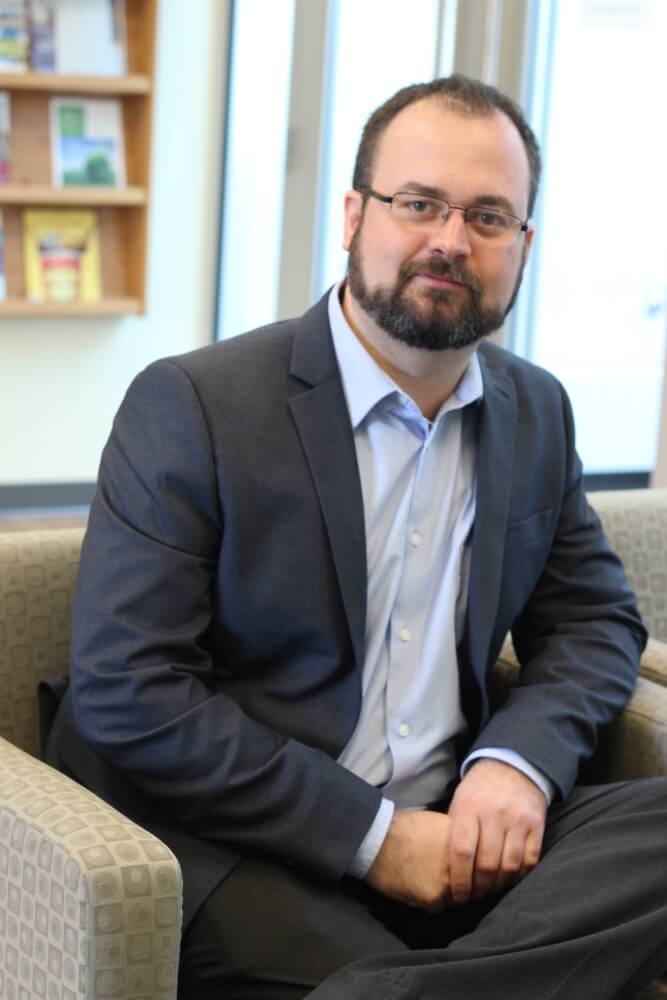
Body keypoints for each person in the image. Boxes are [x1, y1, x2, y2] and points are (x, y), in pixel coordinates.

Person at [45, 74, 667, 999]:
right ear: (353, 214)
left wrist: (515, 765)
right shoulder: (196, 403)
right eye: (418, 203)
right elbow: (128, 692)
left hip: (459, 833)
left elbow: (592, 622)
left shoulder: (535, 410)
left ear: (523, 245)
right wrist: (373, 839)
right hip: (245, 838)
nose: (450, 240)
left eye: (489, 216)